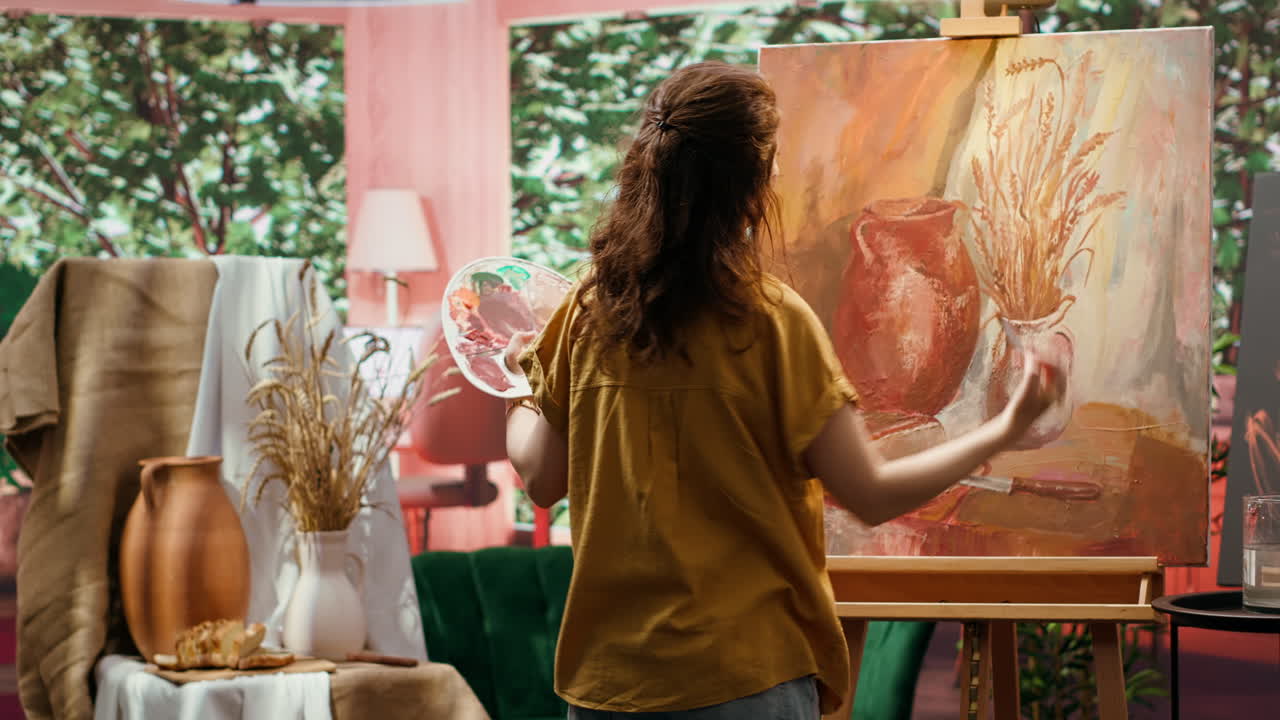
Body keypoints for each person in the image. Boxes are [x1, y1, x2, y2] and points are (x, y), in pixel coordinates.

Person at [501, 61, 1064, 720]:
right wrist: (1001, 430)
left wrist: (520, 387)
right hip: (746, 678)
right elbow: (871, 494)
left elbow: (539, 479)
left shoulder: (589, 312)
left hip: (609, 687)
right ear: (751, 185)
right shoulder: (771, 322)